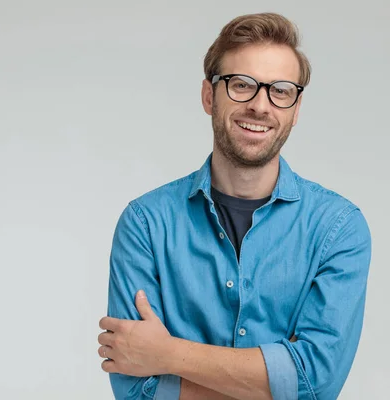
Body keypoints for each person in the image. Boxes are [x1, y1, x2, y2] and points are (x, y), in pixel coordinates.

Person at [97, 12, 372, 400]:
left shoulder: (338, 228)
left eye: (280, 90)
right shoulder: (145, 224)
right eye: (241, 85)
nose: (260, 106)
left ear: (296, 109)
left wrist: (166, 354)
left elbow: (318, 383)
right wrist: (278, 378)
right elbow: (135, 388)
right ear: (209, 96)